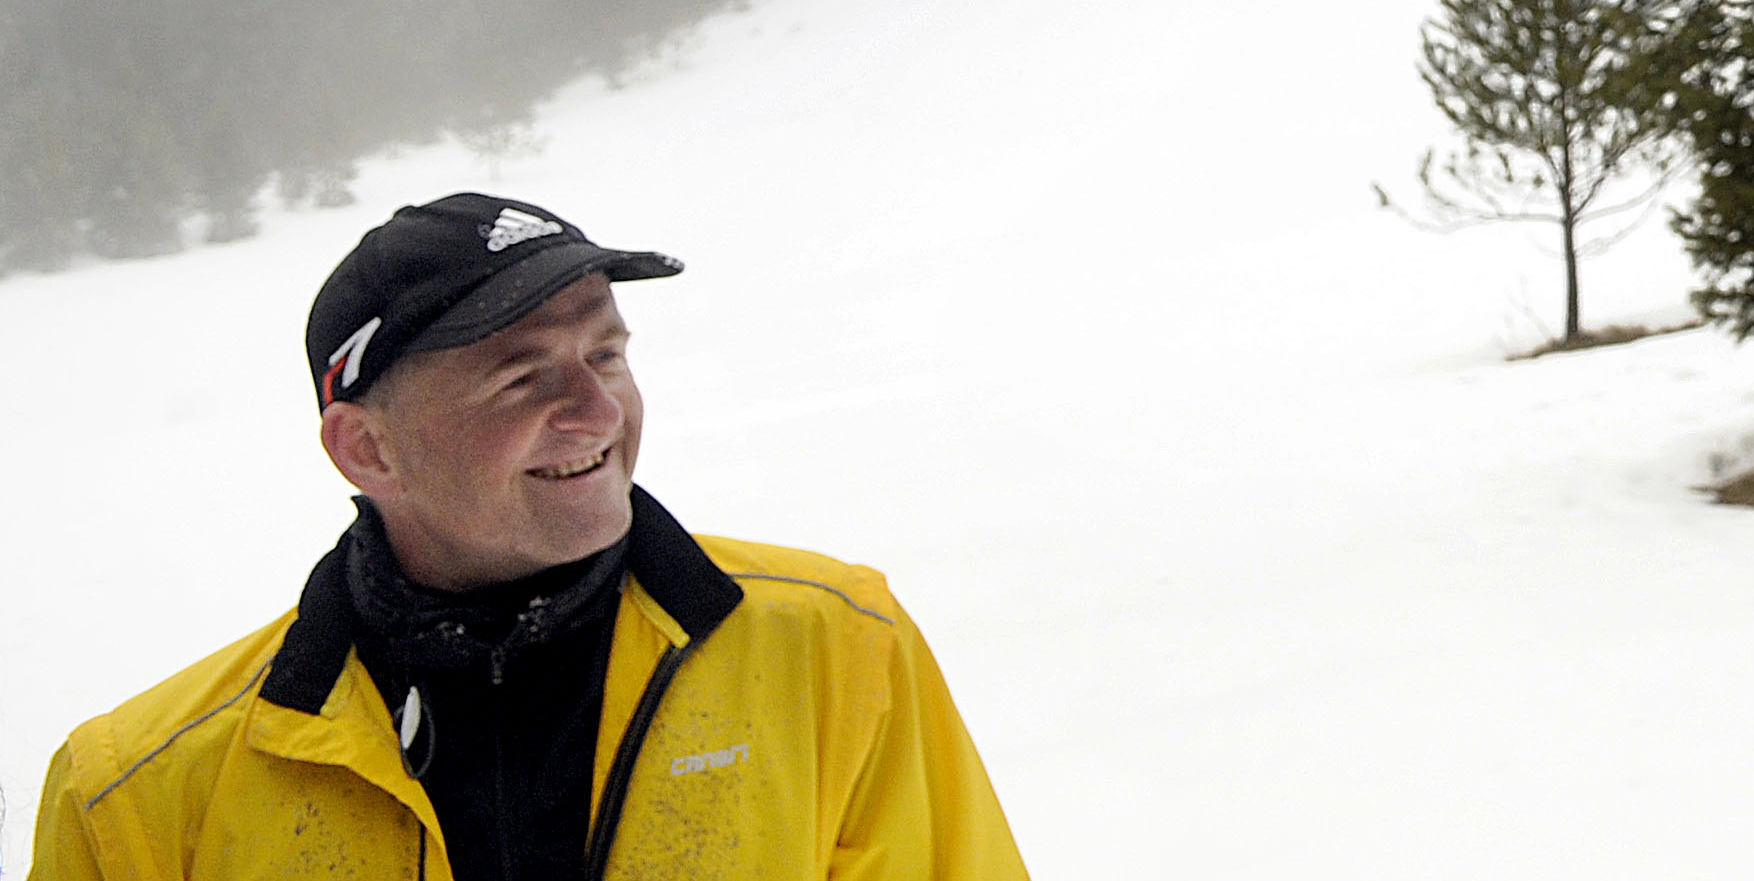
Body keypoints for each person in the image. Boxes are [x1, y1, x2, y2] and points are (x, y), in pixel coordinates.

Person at [27, 193, 1029, 880]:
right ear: (366, 447)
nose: (598, 411)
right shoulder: (140, 797)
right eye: (523, 376)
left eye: (607, 353)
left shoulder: (835, 650)